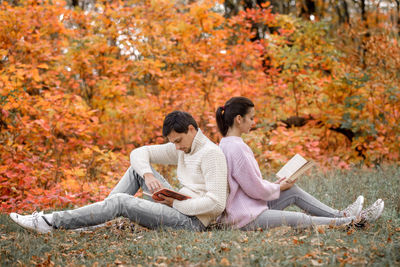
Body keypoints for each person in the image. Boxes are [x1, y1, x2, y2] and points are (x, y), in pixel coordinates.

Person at [10, 111, 228, 233]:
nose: (177, 147)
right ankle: (93, 223)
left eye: (179, 141)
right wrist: (148, 174)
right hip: (178, 204)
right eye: (174, 143)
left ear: (191, 129)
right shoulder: (184, 147)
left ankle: (49, 222)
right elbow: (138, 153)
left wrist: (175, 203)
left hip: (191, 222)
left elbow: (217, 203)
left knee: (121, 202)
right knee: (137, 170)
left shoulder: (210, 154)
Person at [215, 96, 384, 230]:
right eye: (251, 118)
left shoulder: (226, 143)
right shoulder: (237, 148)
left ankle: (341, 214)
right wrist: (280, 187)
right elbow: (256, 189)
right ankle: (354, 221)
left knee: (293, 191)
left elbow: (247, 185)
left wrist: (278, 185)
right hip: (245, 217)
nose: (253, 122)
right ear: (239, 119)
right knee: (300, 219)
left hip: (246, 207)